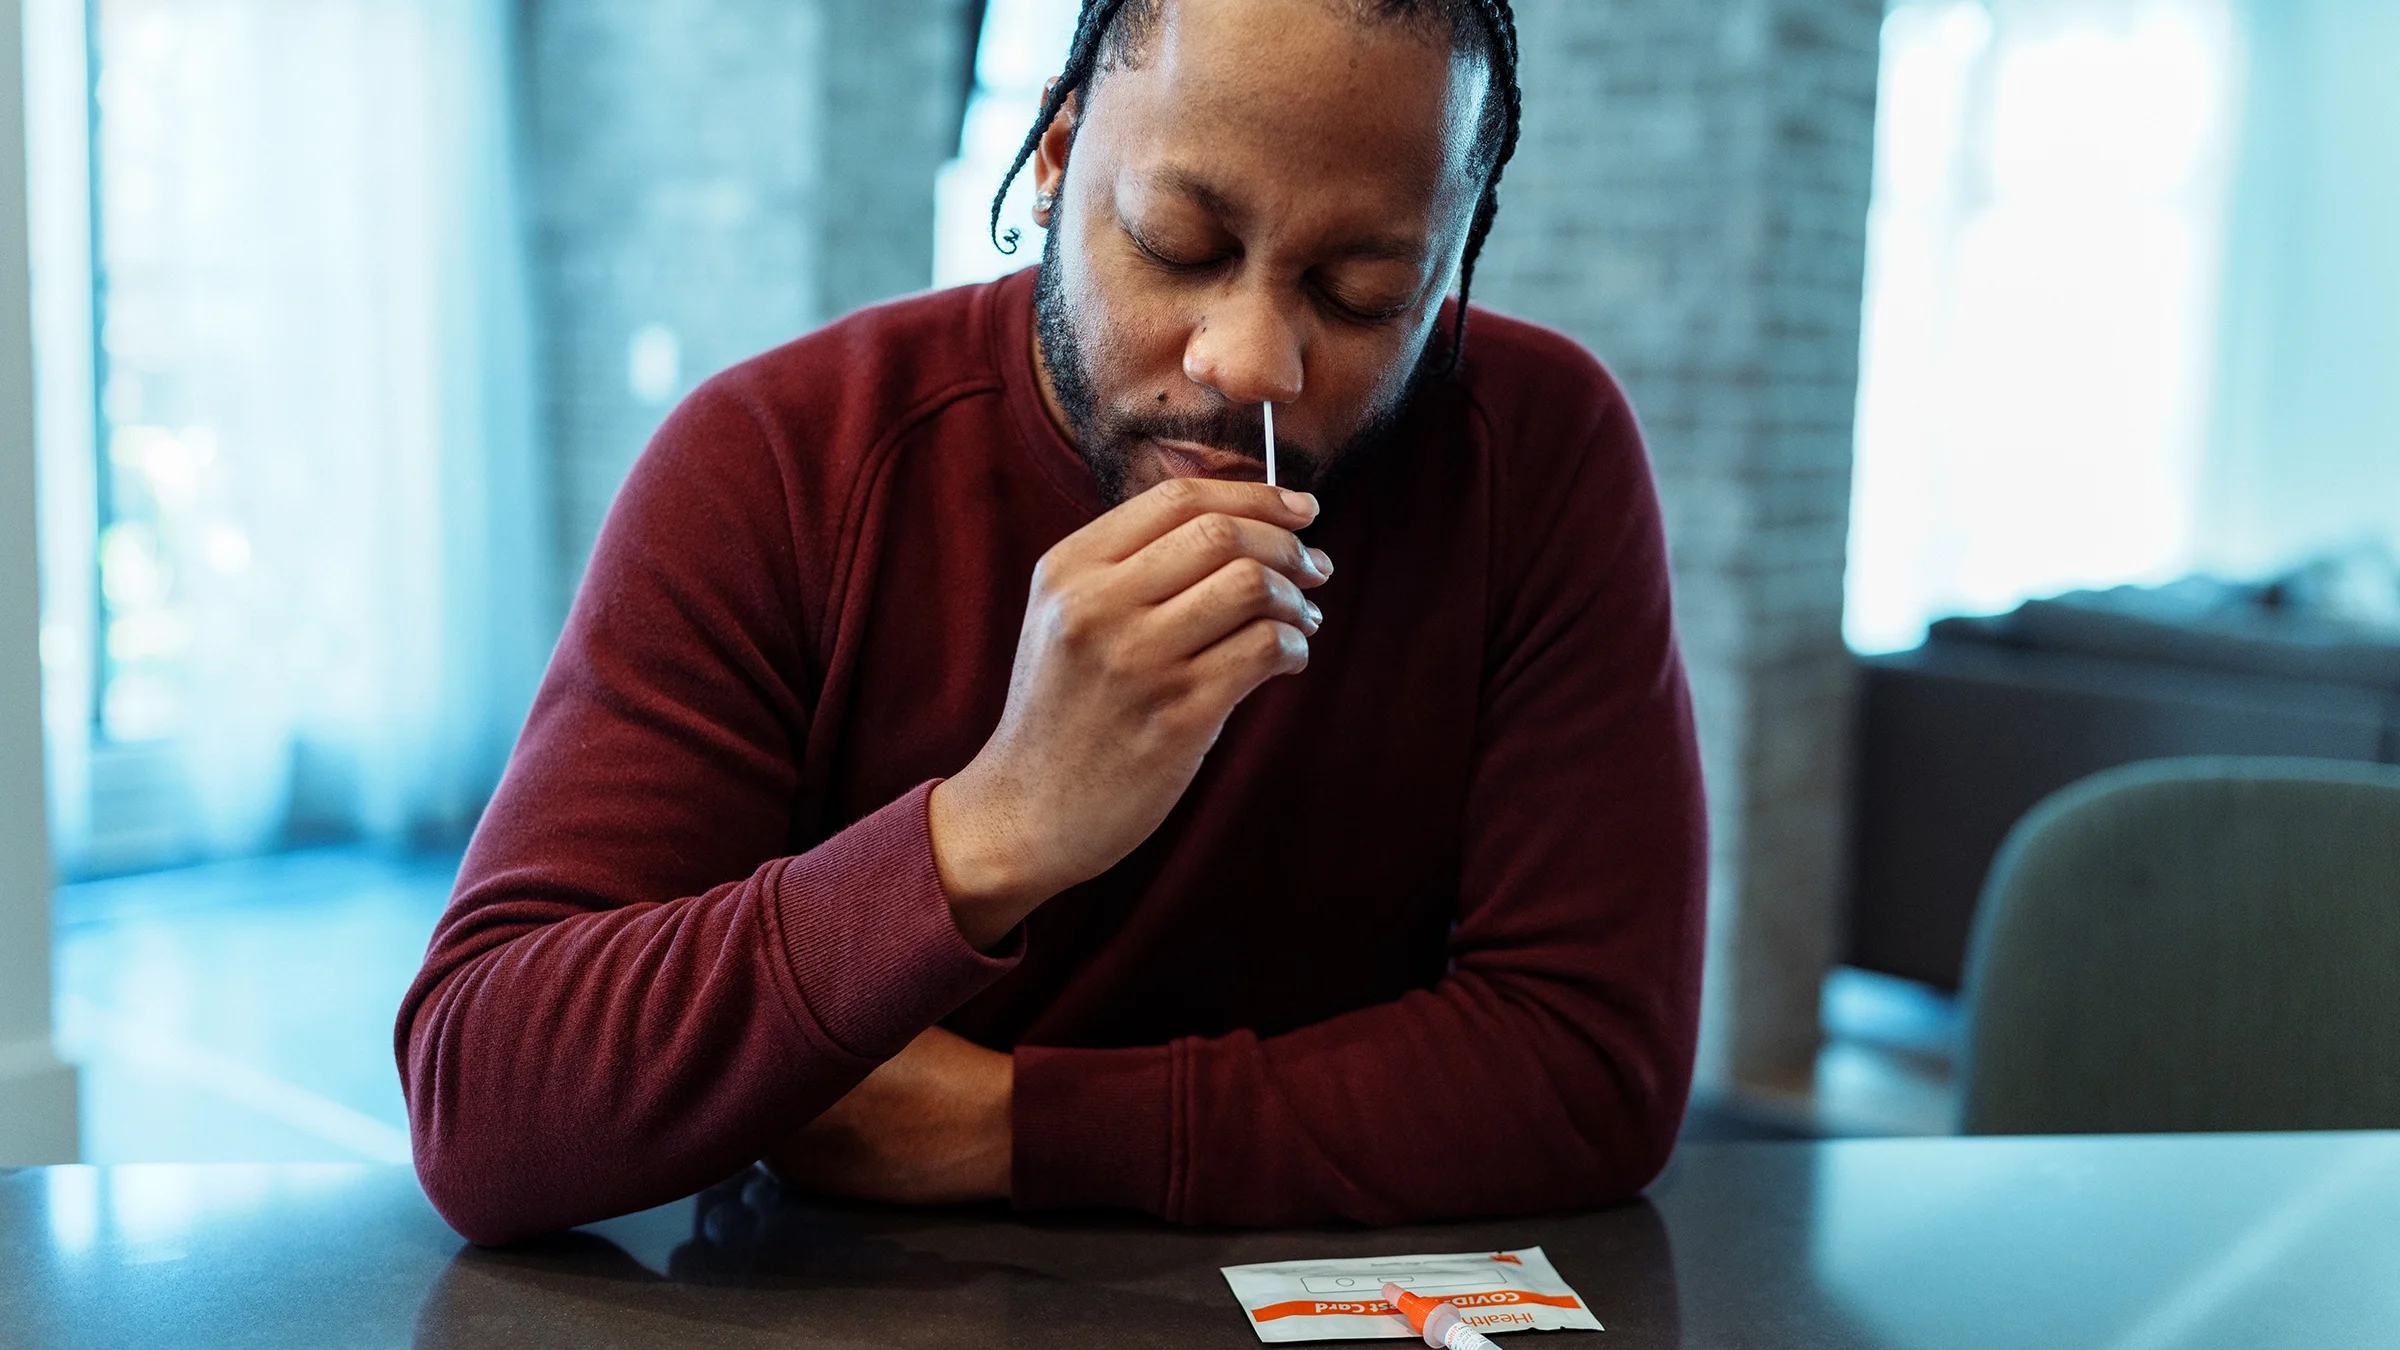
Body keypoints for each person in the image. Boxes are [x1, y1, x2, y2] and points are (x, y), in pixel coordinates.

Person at [397, 0, 1706, 1247]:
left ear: (1454, 266)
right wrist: (995, 828)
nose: (1250, 361)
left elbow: (1591, 1061)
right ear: (1059, 157)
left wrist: (1011, 1128)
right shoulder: (781, 461)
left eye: (1360, 294)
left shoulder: (1536, 456)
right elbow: (487, 1098)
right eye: (1178, 243)